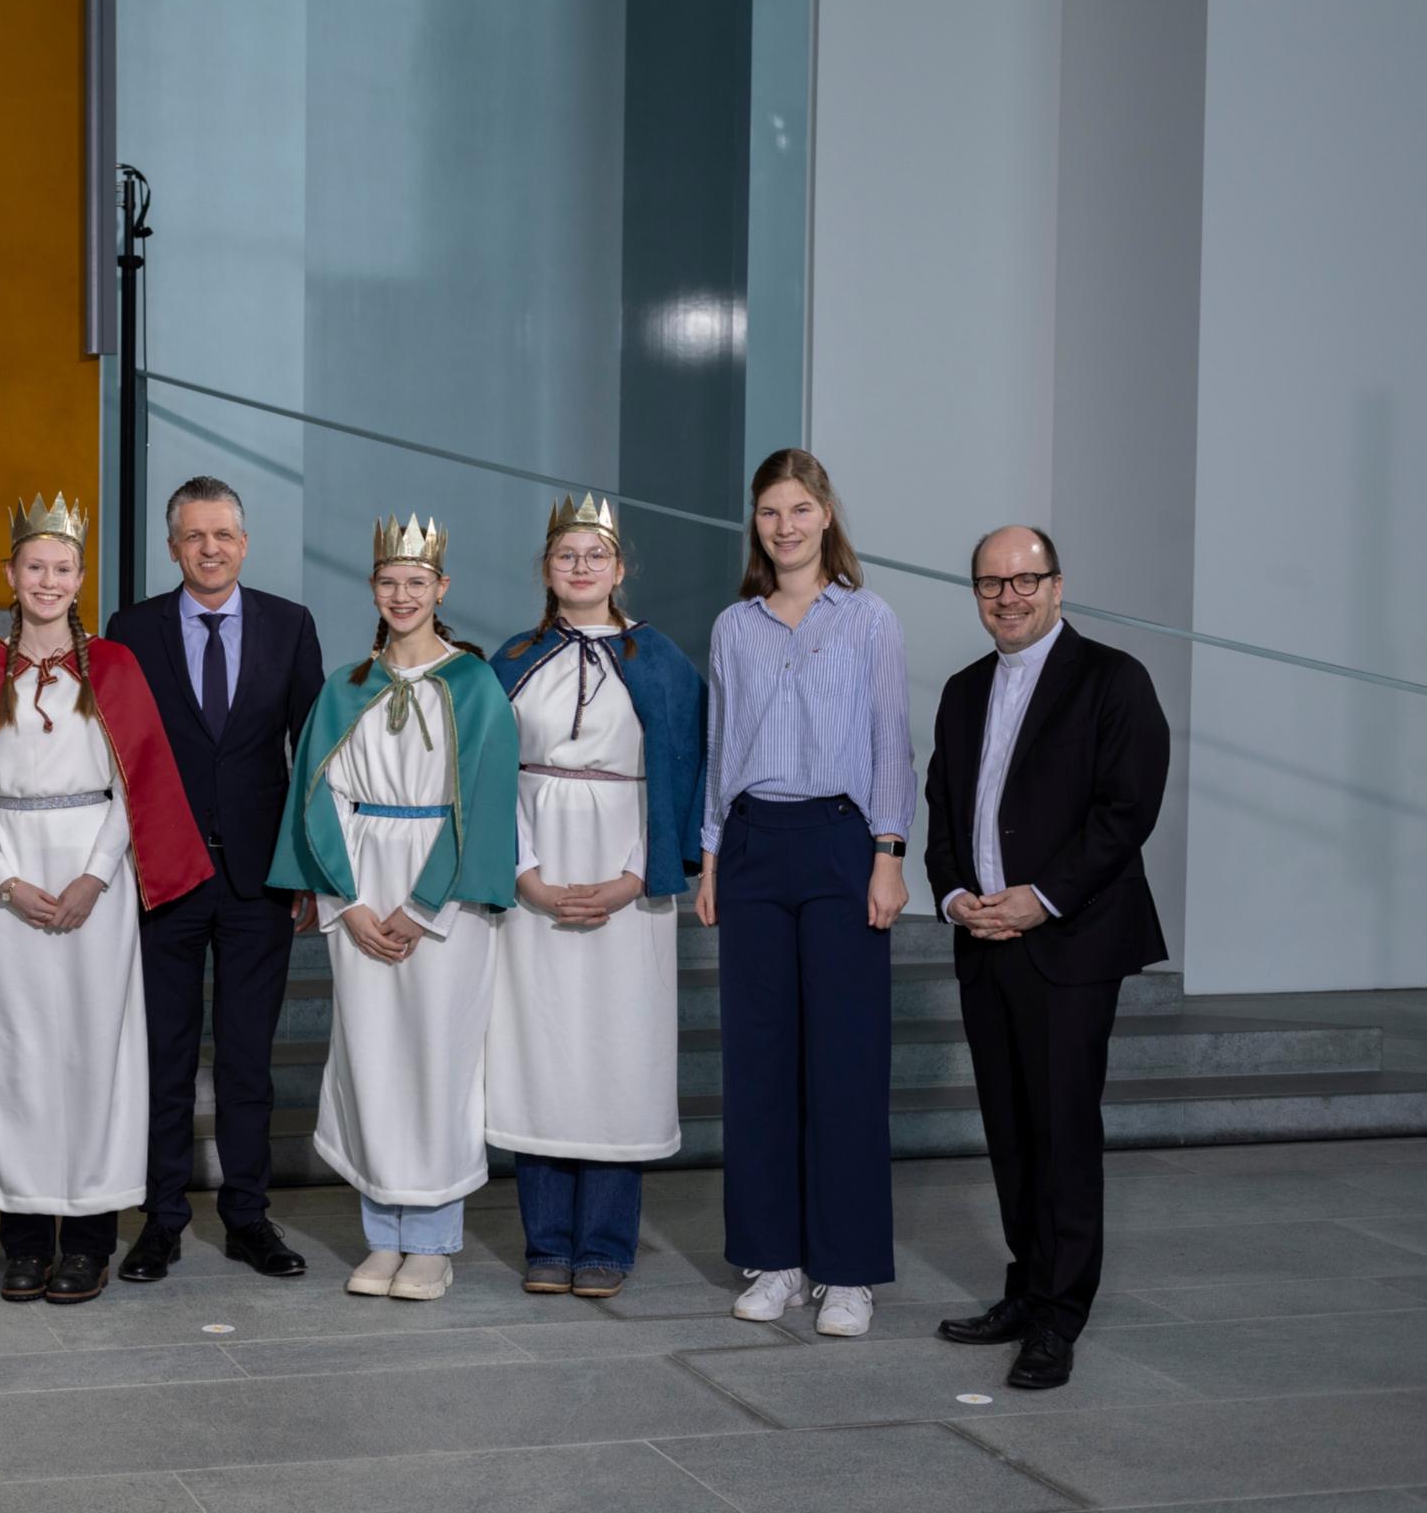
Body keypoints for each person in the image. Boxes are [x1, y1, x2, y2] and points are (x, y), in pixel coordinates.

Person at [0, 493, 211, 1305]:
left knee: (95, 1054)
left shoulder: (114, 670)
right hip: (11, 887)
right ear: (9, 575)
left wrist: (94, 878)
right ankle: (27, 1238)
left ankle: (90, 1241)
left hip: (95, 880)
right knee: (18, 1056)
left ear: (79, 579)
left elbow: (130, 789)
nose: (47, 580)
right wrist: (5, 882)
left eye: (62, 569)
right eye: (34, 566)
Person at [926, 525, 1169, 1390]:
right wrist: (958, 899)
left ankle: (1059, 1318)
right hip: (985, 940)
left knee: (1062, 1130)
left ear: (1058, 586)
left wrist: (1040, 897)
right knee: (1010, 1130)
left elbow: (1125, 810)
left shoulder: (1111, 680)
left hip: (1067, 941)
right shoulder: (963, 691)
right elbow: (945, 815)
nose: (1008, 596)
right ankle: (1026, 1290)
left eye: (1024, 580)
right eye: (991, 583)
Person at [694, 448, 915, 1339]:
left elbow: (891, 741)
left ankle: (848, 1271)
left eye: (798, 509)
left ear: (826, 516)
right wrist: (710, 857)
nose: (783, 526)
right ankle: (773, 1259)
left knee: (846, 1063)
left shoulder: (869, 620)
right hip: (750, 844)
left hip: (838, 841)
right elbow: (719, 750)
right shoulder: (733, 626)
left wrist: (889, 853)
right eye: (769, 512)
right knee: (757, 1065)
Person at [268, 514, 518, 1303]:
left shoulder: (474, 685)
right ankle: (384, 1236)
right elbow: (317, 799)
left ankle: (435, 1241)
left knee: (436, 1059)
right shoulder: (348, 688)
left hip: (440, 898)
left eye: (417, 583)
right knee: (371, 1055)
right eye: (388, 582)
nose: (402, 595)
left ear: (441, 590)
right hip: (360, 890)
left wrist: (420, 907)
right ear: (373, 590)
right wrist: (349, 901)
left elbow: (481, 799)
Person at [103, 476, 326, 1284]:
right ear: (172, 547)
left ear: (244, 541)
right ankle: (160, 1219)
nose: (209, 548)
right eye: (194, 536)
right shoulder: (131, 630)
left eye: (223, 534)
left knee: (245, 1060)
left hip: (258, 879)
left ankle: (247, 1217)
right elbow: (115, 754)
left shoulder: (290, 626)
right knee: (162, 1056)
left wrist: (307, 868)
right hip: (161, 874)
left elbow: (315, 758)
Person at [487, 494, 707, 1300]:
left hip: (628, 878)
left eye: (594, 555)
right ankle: (545, 1240)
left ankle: (608, 1243)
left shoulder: (664, 662)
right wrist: (528, 873)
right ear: (546, 570)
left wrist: (631, 877)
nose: (580, 567)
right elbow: (487, 776)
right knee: (541, 1049)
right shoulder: (512, 658)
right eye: (565, 555)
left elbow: (681, 773)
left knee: (616, 1054)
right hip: (533, 876)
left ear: (620, 569)